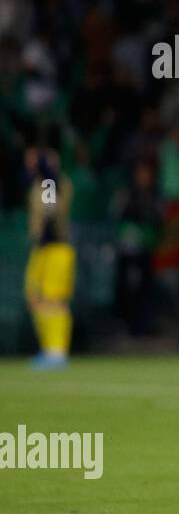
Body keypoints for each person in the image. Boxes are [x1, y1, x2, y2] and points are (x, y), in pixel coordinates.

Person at [24, 147, 76, 369]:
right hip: (42, 248)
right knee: (34, 296)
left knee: (53, 300)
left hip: (56, 247)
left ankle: (57, 351)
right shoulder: (40, 183)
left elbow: (51, 211)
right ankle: (48, 349)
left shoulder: (52, 182)